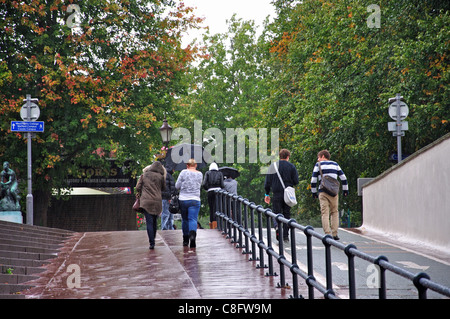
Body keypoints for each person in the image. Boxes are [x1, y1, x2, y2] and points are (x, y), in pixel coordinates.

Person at [310, 149, 348, 240]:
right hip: (334, 193)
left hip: (323, 191)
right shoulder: (335, 164)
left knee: (325, 213)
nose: (318, 159)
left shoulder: (318, 165)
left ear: (323, 156)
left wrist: (314, 192)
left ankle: (327, 233)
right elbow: (343, 178)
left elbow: (313, 180)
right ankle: (335, 234)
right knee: (334, 212)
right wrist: (345, 190)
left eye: (318, 157)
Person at [264, 149, 299, 241]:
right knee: (286, 213)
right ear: (288, 157)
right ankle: (286, 235)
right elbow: (296, 181)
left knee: (276, 212)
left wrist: (266, 194)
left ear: (280, 156)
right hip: (287, 194)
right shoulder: (291, 167)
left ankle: (277, 227)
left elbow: (267, 182)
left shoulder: (273, 166)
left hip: (277, 193)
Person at [135, 161, 166, 249]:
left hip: (146, 201)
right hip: (157, 202)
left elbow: (137, 187)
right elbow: (163, 188)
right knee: (154, 221)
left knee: (149, 221)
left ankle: (151, 243)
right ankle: (153, 239)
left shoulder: (144, 175)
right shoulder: (161, 177)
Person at [175, 158, 203, 248]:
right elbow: (200, 184)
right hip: (195, 199)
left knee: (185, 219)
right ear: (196, 165)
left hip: (183, 199)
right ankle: (193, 236)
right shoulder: (200, 174)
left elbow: (177, 186)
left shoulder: (183, 172)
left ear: (187, 165)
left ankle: (185, 239)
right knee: (193, 219)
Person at [202, 162, 224, 229]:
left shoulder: (207, 173)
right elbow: (222, 185)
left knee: (211, 207)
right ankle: (217, 224)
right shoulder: (220, 173)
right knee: (217, 208)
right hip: (218, 192)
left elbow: (204, 184)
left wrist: (207, 189)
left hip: (210, 191)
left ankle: (211, 223)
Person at [161, 164, 176, 230]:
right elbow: (171, 188)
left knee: (168, 214)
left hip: (164, 197)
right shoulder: (169, 176)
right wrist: (170, 197)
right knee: (167, 214)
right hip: (167, 198)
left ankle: (169, 229)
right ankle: (164, 229)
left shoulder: (163, 175)